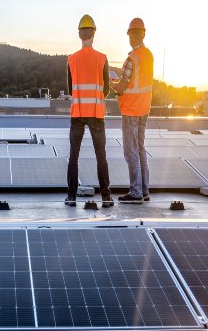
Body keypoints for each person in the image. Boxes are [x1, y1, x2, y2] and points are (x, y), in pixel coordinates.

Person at [65, 14, 113, 208]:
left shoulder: (71, 59)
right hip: (96, 114)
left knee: (73, 157)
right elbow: (107, 89)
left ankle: (71, 196)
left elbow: (70, 89)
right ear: (94, 34)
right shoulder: (102, 59)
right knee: (101, 157)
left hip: (77, 114)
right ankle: (106, 197)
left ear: (79, 35)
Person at [111, 17, 154, 204]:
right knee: (141, 150)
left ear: (130, 36)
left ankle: (135, 192)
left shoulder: (131, 59)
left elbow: (121, 87)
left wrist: (109, 82)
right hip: (144, 109)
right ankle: (144, 190)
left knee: (131, 152)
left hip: (131, 111)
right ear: (143, 34)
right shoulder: (149, 55)